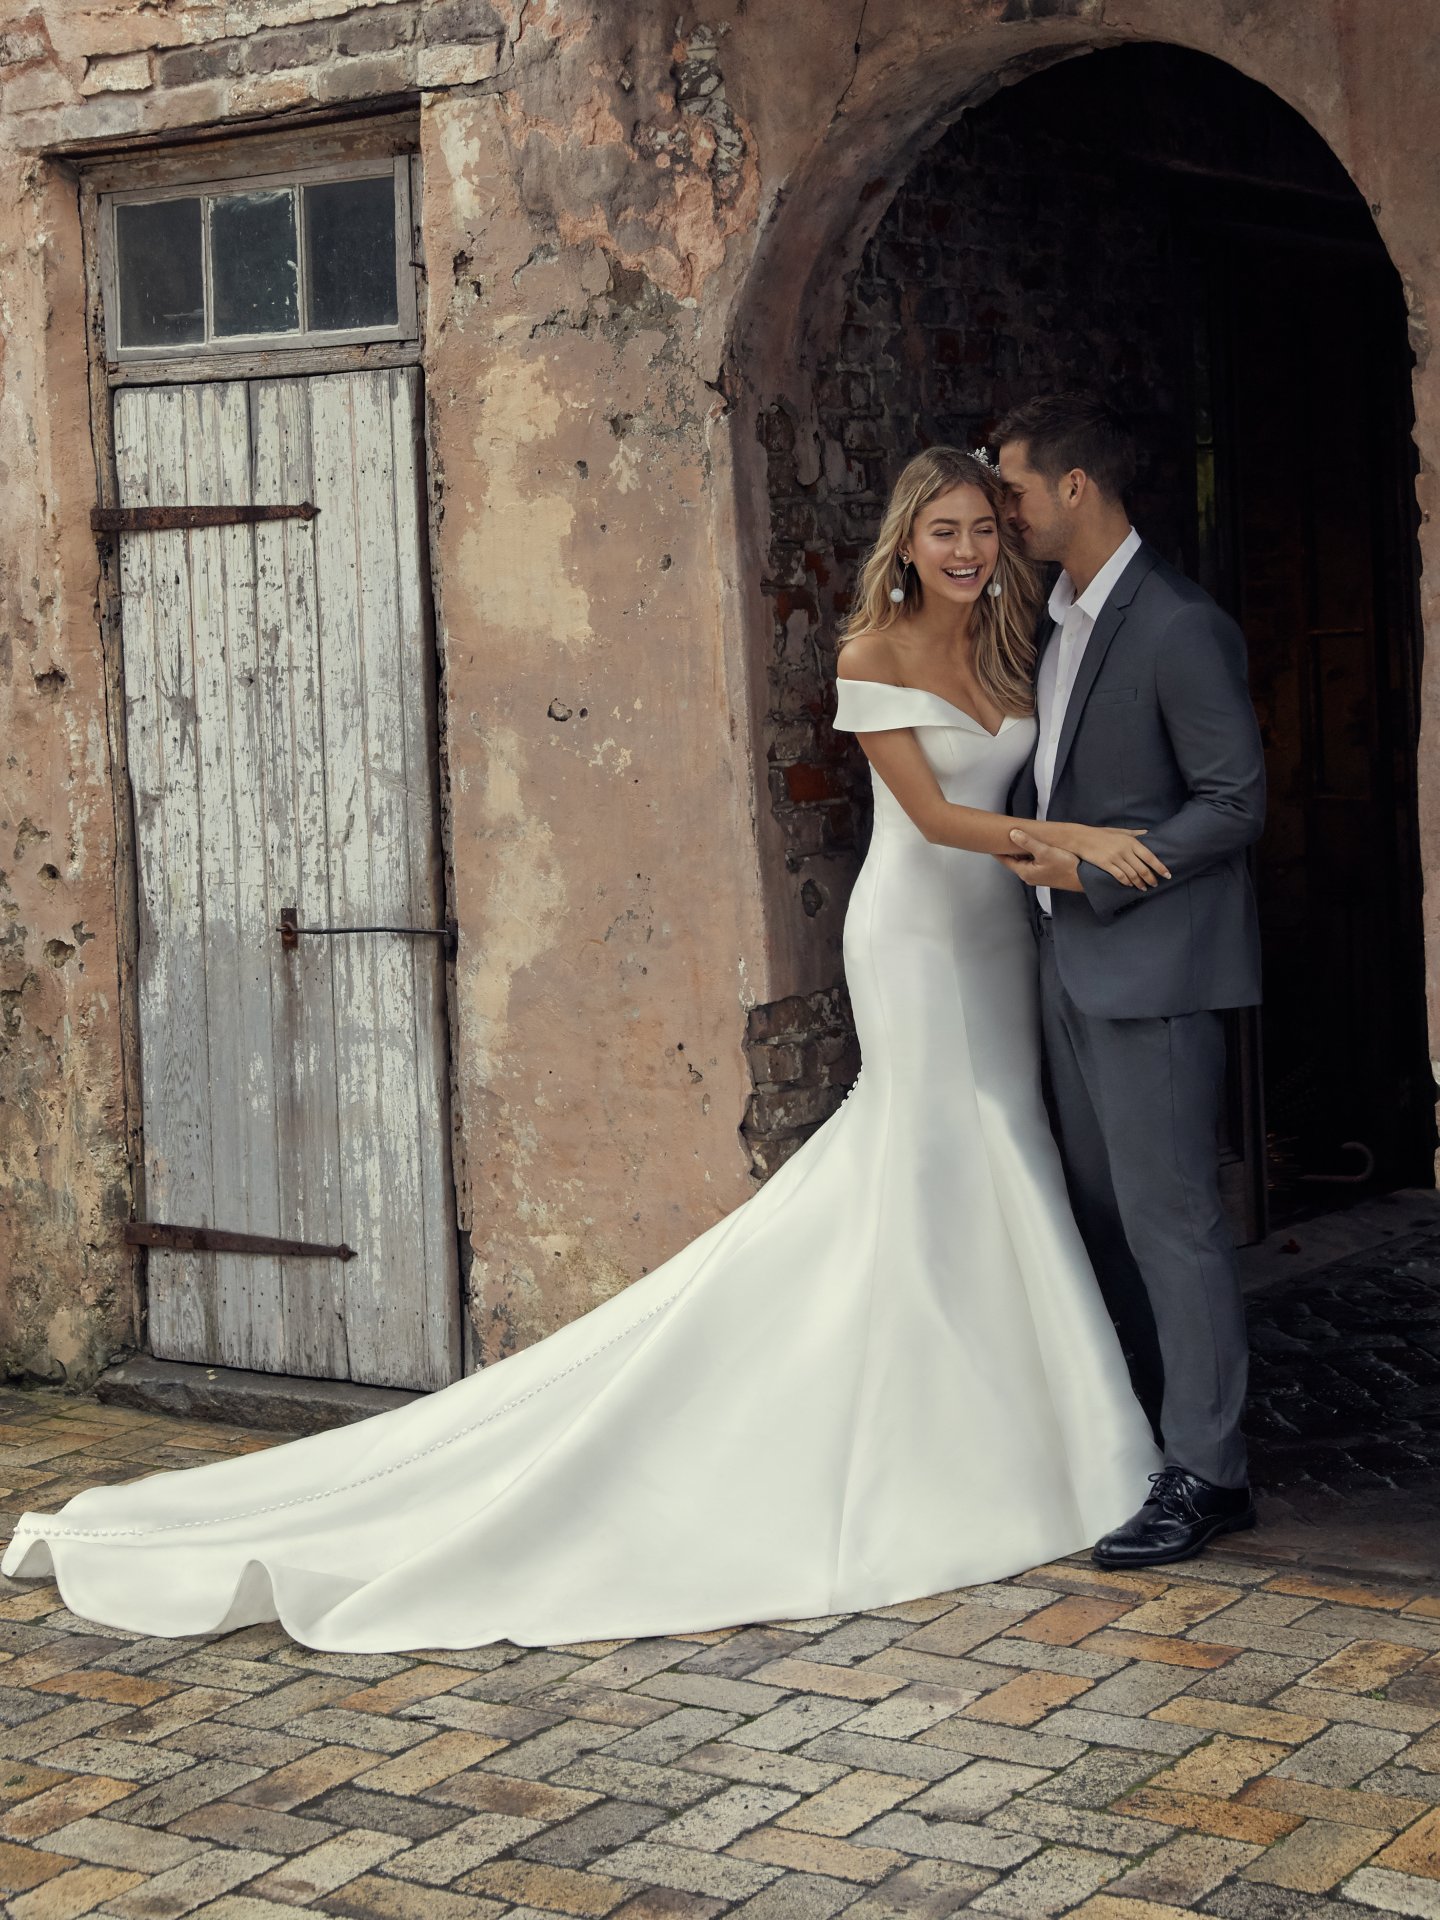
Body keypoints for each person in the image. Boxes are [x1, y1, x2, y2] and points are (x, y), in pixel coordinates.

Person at [1, 447, 1160, 1654]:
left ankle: (1017, 1428)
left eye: (982, 528)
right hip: (917, 943)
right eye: (946, 533)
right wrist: (1081, 836)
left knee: (1002, 1153)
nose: (970, 551)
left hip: (999, 947)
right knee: (926, 1158)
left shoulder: (1012, 649)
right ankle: (935, 1443)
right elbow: (935, 820)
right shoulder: (871, 657)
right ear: (906, 545)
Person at [995, 393, 1266, 1568]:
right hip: (1065, 965)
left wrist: (1097, 869)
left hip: (1151, 966)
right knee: (1104, 1216)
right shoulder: (1056, 619)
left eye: (1011, 487)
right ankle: (1155, 1440)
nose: (1001, 508)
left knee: (1175, 1224)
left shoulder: (1179, 624)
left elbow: (1233, 802)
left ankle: (1211, 1475)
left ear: (1075, 487)